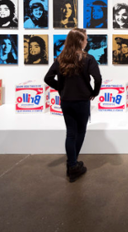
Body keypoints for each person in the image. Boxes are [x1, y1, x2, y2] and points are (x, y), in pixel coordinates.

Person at [44, 28, 102, 182]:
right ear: (79, 41)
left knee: (70, 133)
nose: (87, 41)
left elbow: (48, 78)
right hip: (82, 101)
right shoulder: (88, 58)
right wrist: (94, 92)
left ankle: (72, 164)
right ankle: (73, 165)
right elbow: (97, 78)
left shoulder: (61, 58)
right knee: (81, 131)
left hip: (66, 101)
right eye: (85, 39)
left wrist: (61, 88)